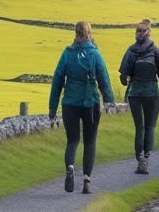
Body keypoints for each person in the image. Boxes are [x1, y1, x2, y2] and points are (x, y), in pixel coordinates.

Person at [49, 20, 114, 195]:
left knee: (72, 140)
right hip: (90, 103)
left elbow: (57, 79)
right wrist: (108, 100)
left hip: (70, 103)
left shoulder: (67, 54)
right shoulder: (95, 55)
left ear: (75, 34)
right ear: (89, 34)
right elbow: (103, 78)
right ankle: (86, 181)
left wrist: (52, 108)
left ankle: (70, 167)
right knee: (90, 141)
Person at [119, 19, 159, 175]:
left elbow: (123, 75)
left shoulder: (131, 51)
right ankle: (145, 158)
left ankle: (140, 157)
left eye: (142, 31)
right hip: (151, 92)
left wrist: (126, 79)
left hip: (135, 92)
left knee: (139, 127)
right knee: (150, 127)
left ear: (148, 32)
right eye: (138, 31)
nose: (140, 33)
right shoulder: (156, 51)